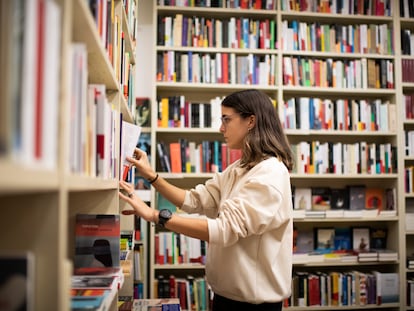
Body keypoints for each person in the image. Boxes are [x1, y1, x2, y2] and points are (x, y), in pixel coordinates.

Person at [119, 89, 294, 311]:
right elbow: (194, 200)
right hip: (225, 298)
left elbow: (224, 230)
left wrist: (154, 215)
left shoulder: (270, 173)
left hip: (253, 305)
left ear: (251, 121)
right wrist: (152, 176)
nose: (221, 128)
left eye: (226, 120)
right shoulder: (238, 169)